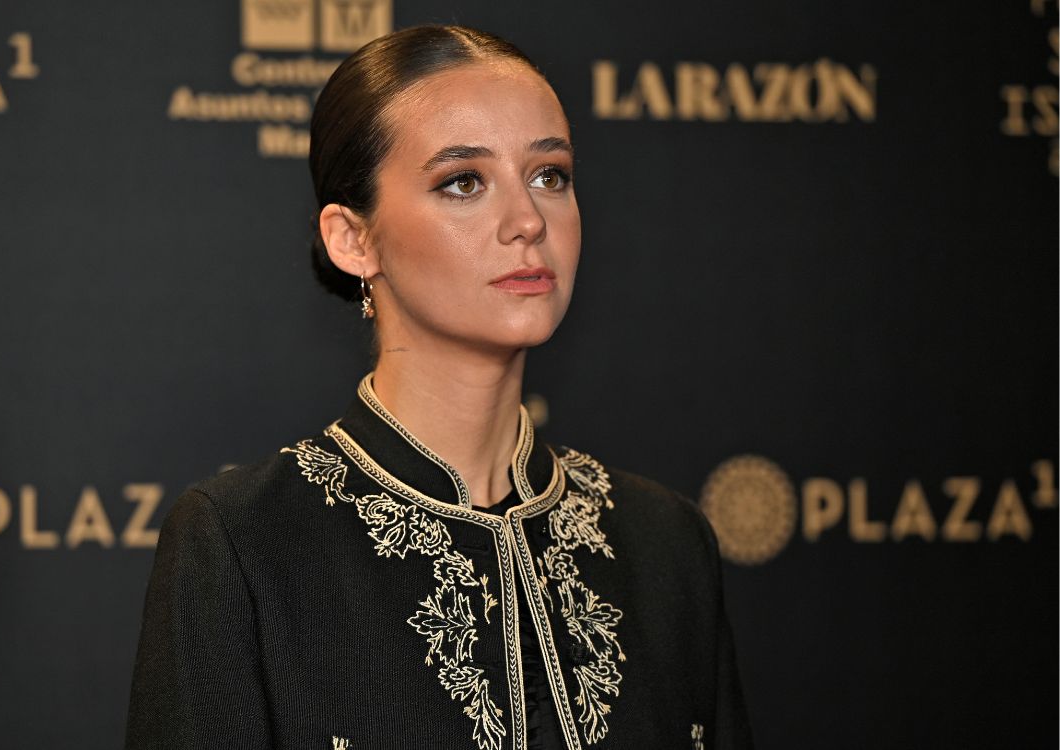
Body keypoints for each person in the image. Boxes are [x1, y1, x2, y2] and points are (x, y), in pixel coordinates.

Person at [126, 24, 752, 750]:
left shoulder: (666, 543)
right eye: (463, 182)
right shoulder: (244, 543)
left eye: (550, 175)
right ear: (352, 239)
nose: (527, 223)